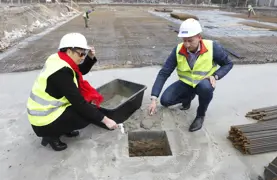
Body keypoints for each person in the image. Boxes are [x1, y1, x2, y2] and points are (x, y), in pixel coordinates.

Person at [26, 33, 118, 151]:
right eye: (81, 53)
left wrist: (89, 57)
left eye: (84, 53)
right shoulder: (60, 73)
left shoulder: (58, 58)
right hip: (43, 119)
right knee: (84, 116)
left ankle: (63, 128)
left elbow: (78, 71)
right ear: (69, 51)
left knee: (85, 108)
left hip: (51, 109)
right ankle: (50, 136)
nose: (83, 57)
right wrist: (105, 119)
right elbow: (79, 103)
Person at [148, 18, 233, 132]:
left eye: (190, 40)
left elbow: (228, 64)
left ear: (199, 37)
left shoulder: (212, 47)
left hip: (203, 83)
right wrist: (154, 98)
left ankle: (200, 115)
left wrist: (216, 75)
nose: (187, 44)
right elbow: (164, 72)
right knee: (165, 101)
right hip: (186, 83)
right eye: (184, 40)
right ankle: (188, 98)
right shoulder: (178, 50)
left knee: (205, 88)